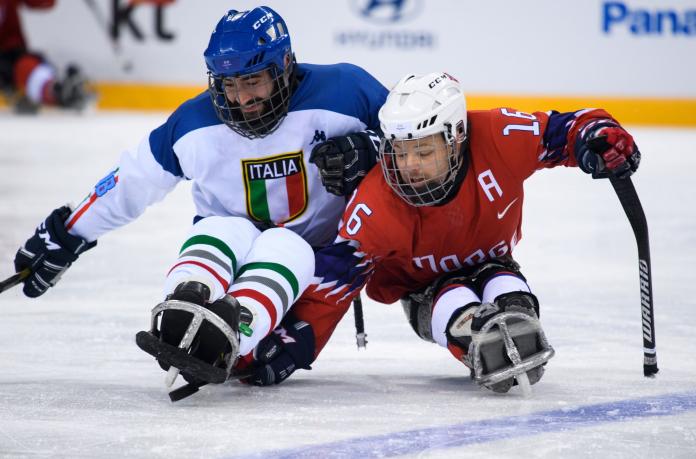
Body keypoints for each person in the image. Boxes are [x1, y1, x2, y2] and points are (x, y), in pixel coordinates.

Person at [13, 6, 387, 396]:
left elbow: (415, 143)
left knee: (286, 247)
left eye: (253, 81)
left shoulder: (347, 91)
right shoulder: (193, 122)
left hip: (316, 265)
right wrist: (69, 232)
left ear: (286, 64)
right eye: (228, 84)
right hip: (230, 248)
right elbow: (132, 181)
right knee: (221, 227)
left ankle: (234, 327)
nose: (242, 98)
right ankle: (186, 301)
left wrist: (372, 148)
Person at [304, 71, 641, 393]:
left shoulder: (498, 134)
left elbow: (565, 129)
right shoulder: (376, 200)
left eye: (423, 151)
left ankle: (509, 304)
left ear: (457, 136)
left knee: (510, 294)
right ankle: (469, 327)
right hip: (425, 292)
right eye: (400, 153)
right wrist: (291, 342)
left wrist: (596, 134)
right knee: (456, 305)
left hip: (494, 262)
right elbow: (333, 279)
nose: (409, 167)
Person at [0, 0, 90, 112]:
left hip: (12, 50)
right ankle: (55, 91)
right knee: (19, 67)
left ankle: (56, 90)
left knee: (26, 65)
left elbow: (44, 3)